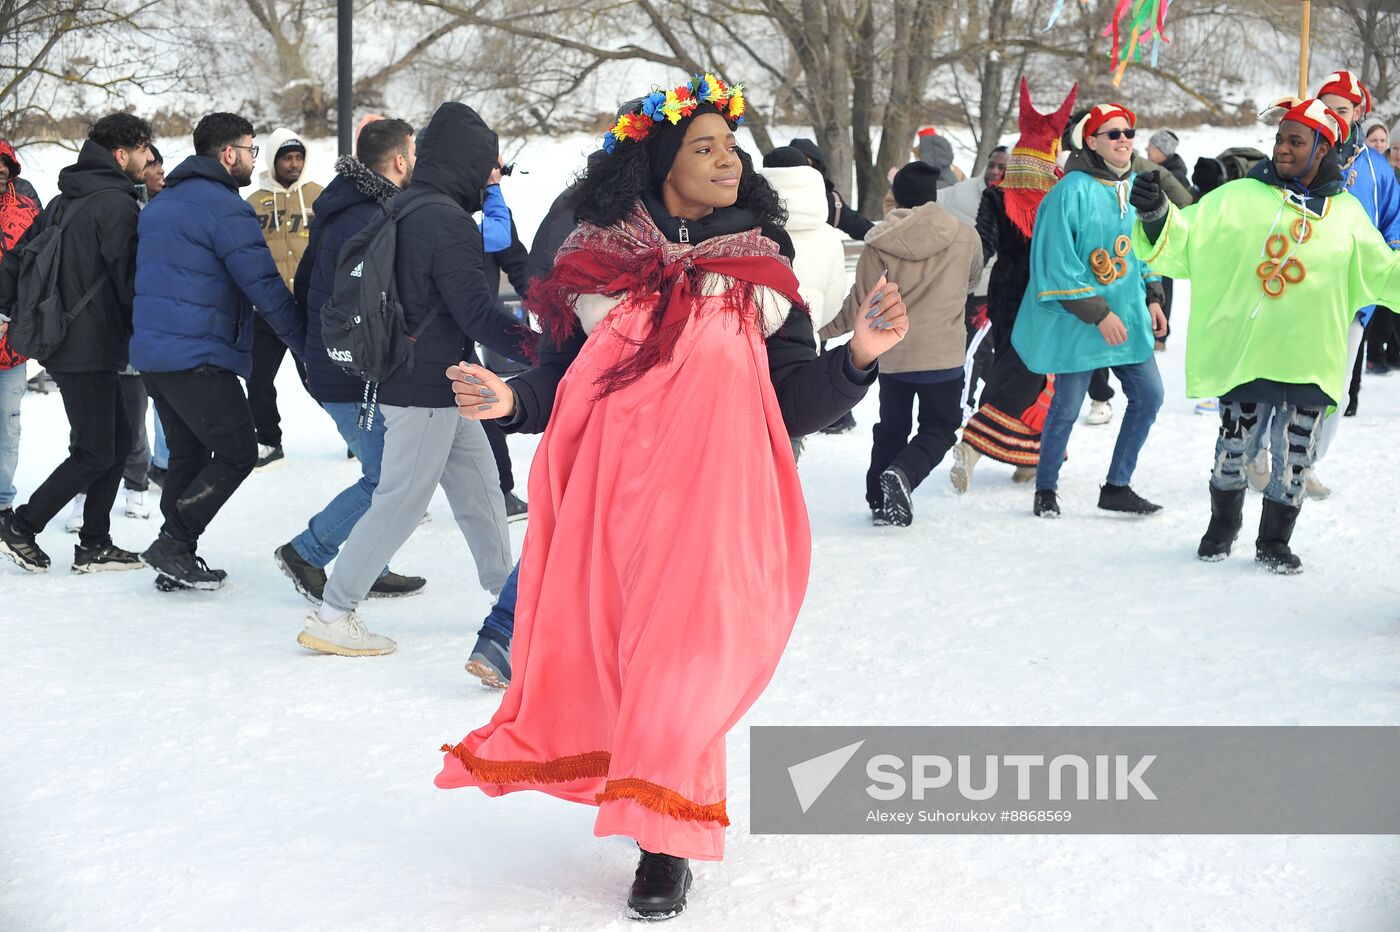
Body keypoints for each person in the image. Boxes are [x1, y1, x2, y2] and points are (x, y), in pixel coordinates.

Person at [434, 75, 905, 920]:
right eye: (705, 147)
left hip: (716, 505)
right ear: (659, 161)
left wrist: (857, 358)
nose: (728, 160)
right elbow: (562, 375)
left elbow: (793, 395)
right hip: (613, 501)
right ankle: (636, 788)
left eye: (732, 148)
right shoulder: (596, 259)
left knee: (686, 664)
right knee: (619, 661)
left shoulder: (760, 266)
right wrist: (513, 402)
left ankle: (663, 844)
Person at [295, 102, 528, 657]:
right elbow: (475, 311)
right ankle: (334, 611)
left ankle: (512, 598)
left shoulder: (407, 205)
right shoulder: (445, 220)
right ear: (468, 163)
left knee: (480, 490)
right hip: (424, 386)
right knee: (400, 499)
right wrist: (545, 345)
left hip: (438, 379)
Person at [1131, 95, 1400, 573]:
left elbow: (1386, 272)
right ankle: (1222, 527)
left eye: (1295, 141)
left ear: (1323, 149)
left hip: (1310, 355)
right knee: (1234, 450)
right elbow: (1185, 237)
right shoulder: (1239, 198)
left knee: (1295, 457)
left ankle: (1274, 540)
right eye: (1279, 139)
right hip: (1248, 353)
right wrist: (1156, 216)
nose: (1281, 148)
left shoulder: (1347, 217)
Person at [130, 112, 307, 590]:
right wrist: (304, 342)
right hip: (198, 354)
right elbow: (264, 284)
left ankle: (176, 559)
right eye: (251, 151)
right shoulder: (226, 208)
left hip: (153, 353)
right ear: (228, 154)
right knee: (237, 452)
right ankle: (173, 542)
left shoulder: (161, 205)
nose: (253, 160)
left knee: (186, 453)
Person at [274, 118, 427, 603]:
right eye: (415, 153)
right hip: (348, 371)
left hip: (340, 364)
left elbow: (310, 283)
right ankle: (307, 551)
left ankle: (371, 560)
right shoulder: (370, 217)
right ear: (400, 161)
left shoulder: (350, 205)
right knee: (386, 479)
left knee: (387, 473)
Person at [0, 113, 152, 574]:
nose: (149, 161)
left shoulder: (67, 196)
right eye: (145, 151)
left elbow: (20, 254)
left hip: (72, 338)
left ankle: (94, 542)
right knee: (94, 449)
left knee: (119, 437)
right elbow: (131, 282)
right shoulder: (117, 204)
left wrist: (7, 310)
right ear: (122, 154)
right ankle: (23, 526)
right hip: (86, 343)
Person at [1012, 102, 1167, 518]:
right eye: (1113, 134)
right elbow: (1056, 261)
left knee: (1150, 396)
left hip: (1129, 316)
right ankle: (1046, 488)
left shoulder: (1138, 185)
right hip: (1082, 321)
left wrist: (1153, 295)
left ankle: (1117, 486)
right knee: (1066, 406)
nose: (1124, 140)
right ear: (1093, 142)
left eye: (1129, 133)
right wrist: (1099, 313)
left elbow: (1143, 249)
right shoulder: (1069, 191)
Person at [820, 160, 982, 526]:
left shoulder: (879, 243)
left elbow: (860, 303)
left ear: (896, 198)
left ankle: (879, 499)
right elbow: (972, 281)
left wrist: (817, 330)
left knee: (892, 427)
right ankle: (905, 474)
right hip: (943, 354)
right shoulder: (965, 235)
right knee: (940, 427)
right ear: (933, 195)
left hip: (893, 353)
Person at [951, 78, 1078, 493]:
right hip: (1047, 296)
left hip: (1004, 295)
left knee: (1012, 367)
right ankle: (975, 442)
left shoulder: (995, 196)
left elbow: (982, 244)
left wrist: (964, 279)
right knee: (1033, 375)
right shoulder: (1060, 196)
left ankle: (1029, 456)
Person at [245, 128, 321, 469]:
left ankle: (354, 434)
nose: (293, 164)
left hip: (307, 308)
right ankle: (268, 440)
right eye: (286, 158)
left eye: (298, 157)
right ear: (273, 160)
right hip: (267, 309)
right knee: (258, 379)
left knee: (319, 378)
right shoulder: (253, 203)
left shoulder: (319, 197)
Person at [0, 137, 43, 521]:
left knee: (7, 425)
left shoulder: (27, 206)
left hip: (10, 340)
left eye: (3, 165)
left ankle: (1, 499)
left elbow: (38, 266)